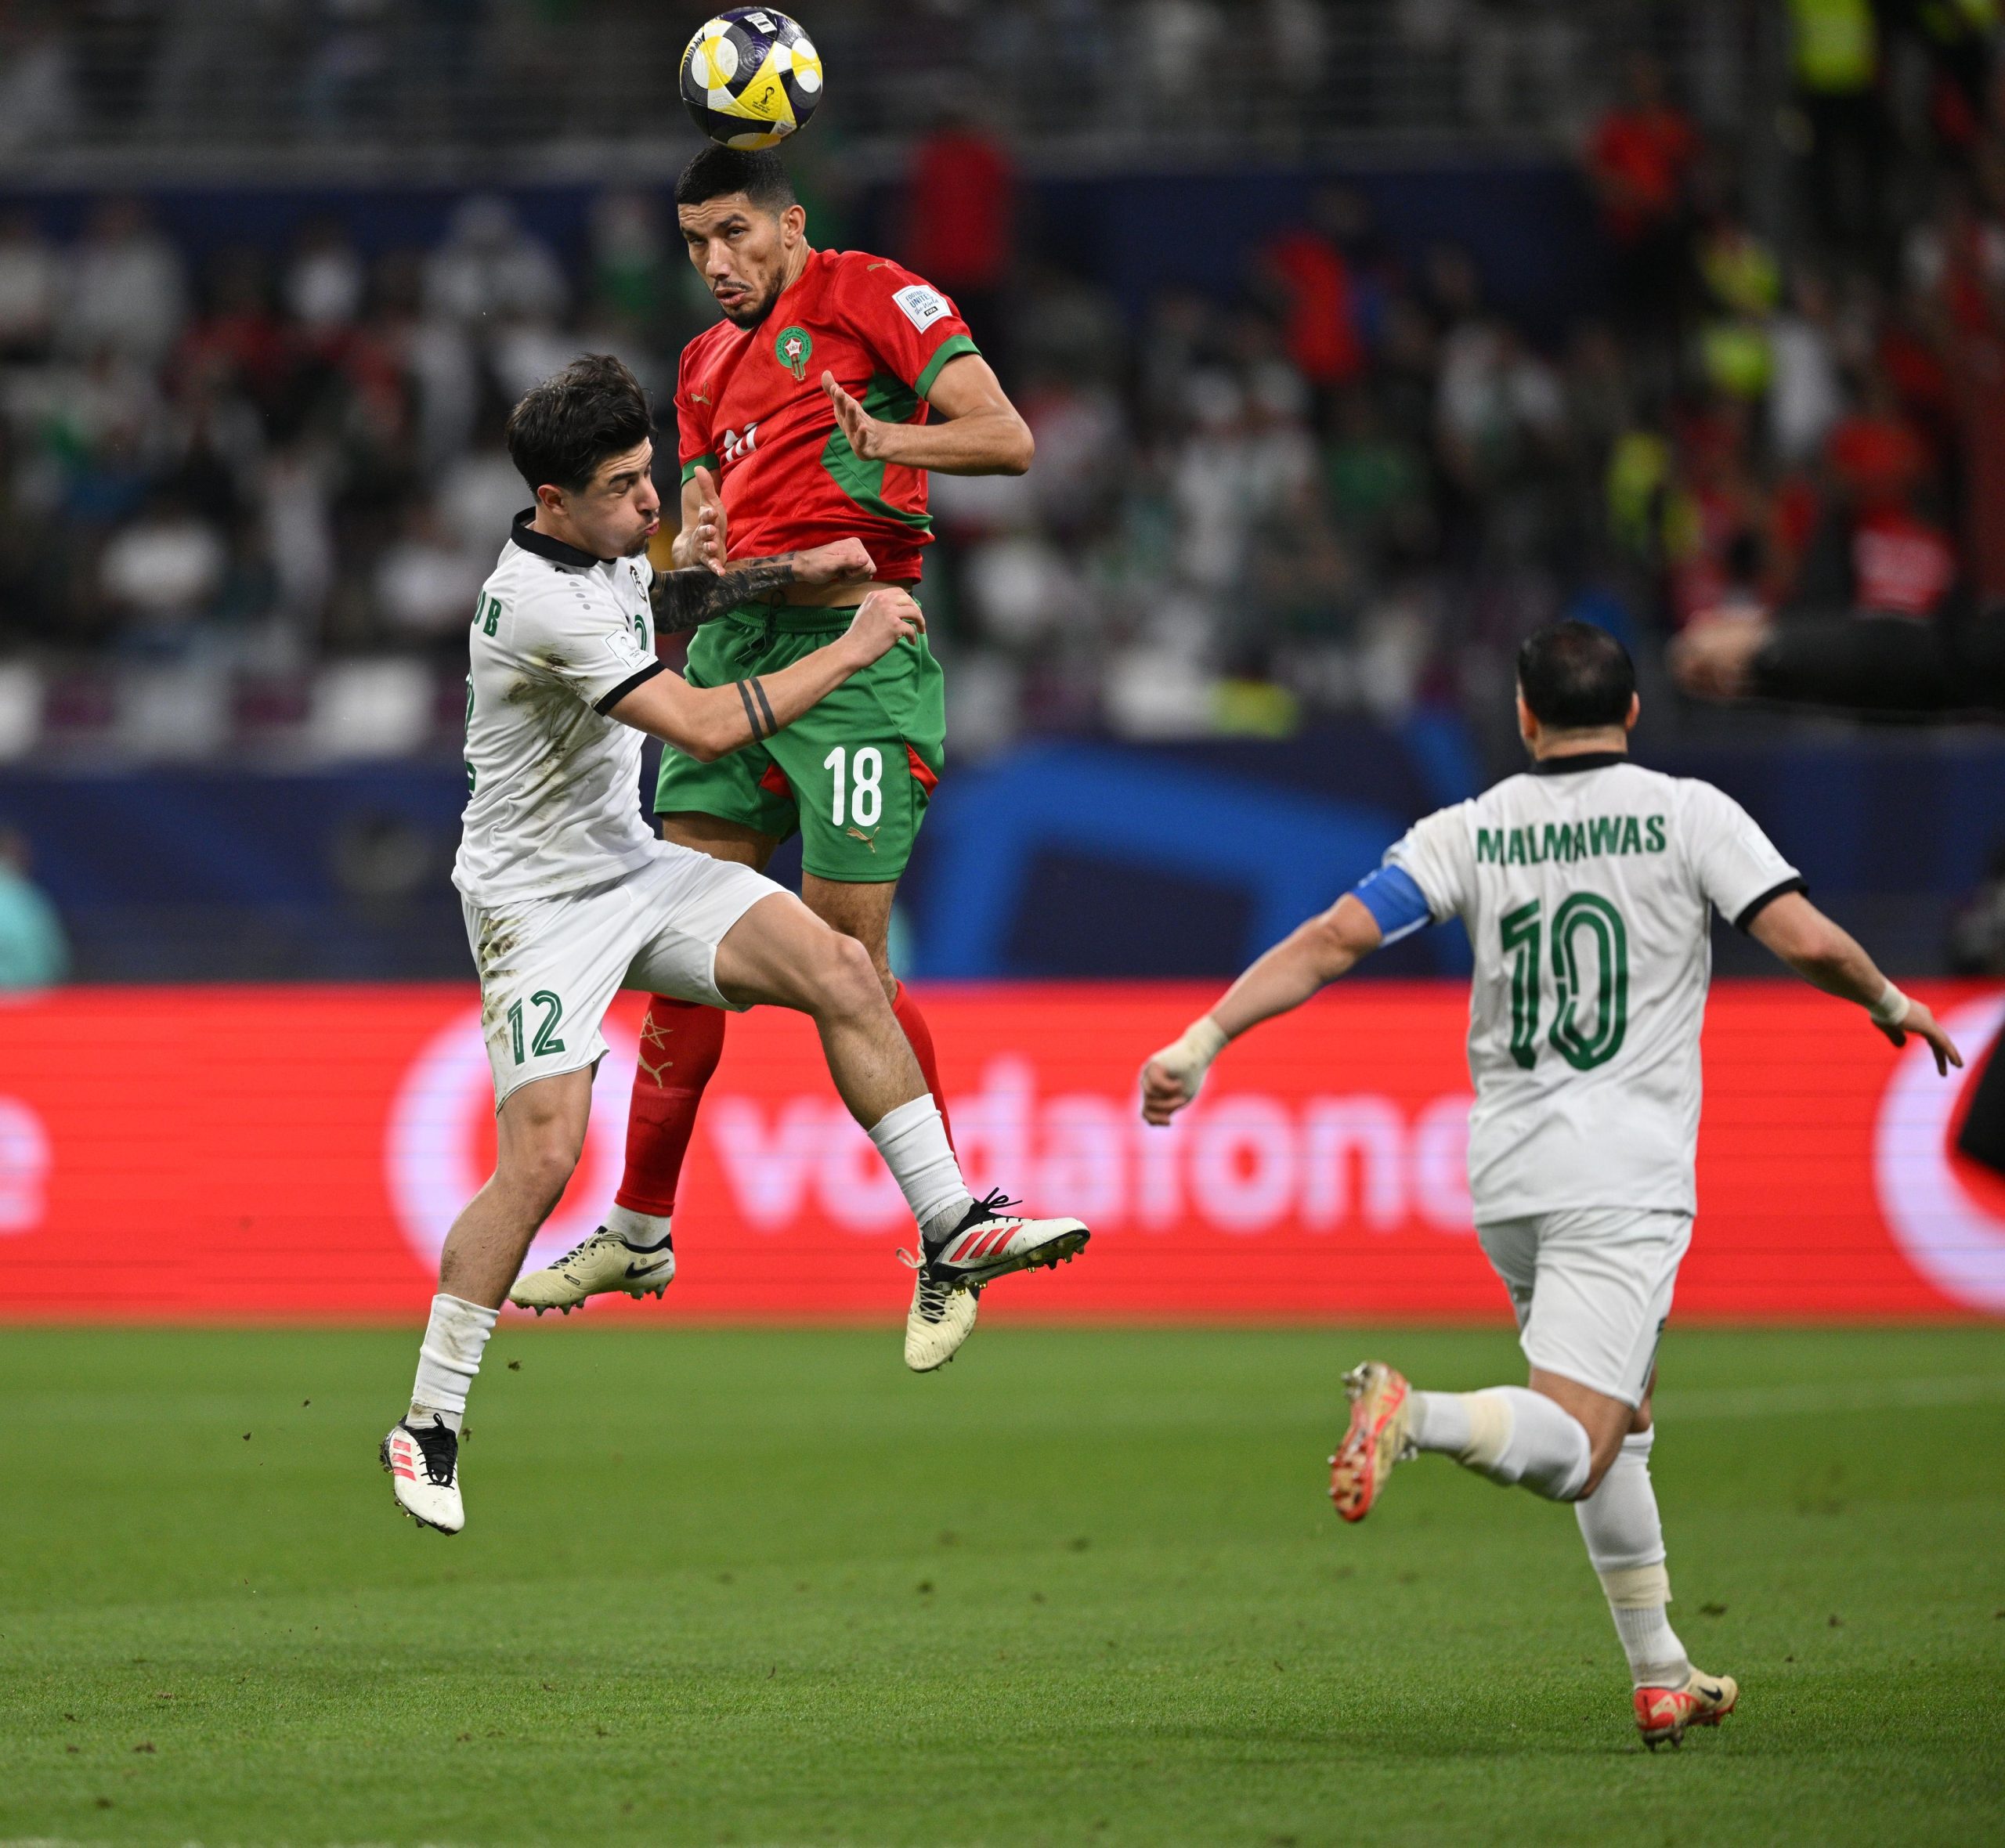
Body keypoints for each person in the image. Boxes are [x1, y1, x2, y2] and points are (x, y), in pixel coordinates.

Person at [1137, 621, 1963, 1748]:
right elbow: (1800, 936)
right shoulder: (1689, 813)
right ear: (1631, 714)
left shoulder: (1472, 827)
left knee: (1626, 1413)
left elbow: (1338, 935)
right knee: (1578, 1443)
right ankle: (1410, 1414)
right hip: (1621, 1174)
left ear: (1526, 718)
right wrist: (1885, 997)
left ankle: (1661, 1668)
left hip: (1509, 1177)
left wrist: (1205, 1034)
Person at [381, 356, 1087, 1536]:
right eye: (623, 489)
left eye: (649, 476)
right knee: (543, 1160)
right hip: (535, 908)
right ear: (553, 504)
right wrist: (847, 643)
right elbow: (705, 719)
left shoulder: (594, 551)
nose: (650, 504)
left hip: (629, 868)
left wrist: (779, 570)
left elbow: (659, 602)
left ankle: (953, 1223)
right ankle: (431, 1422)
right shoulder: (535, 601)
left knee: (839, 968)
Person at [507, 146, 1039, 1376]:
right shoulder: (697, 369)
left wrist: (888, 433)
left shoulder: (873, 295)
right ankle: (640, 1225)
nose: (715, 263)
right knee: (683, 934)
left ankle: (948, 1234)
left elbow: (1004, 439)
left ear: (791, 225)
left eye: (736, 234)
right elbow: (689, 569)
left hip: (859, 657)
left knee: (847, 957)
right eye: (695, 242)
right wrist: (686, 551)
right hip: (742, 644)